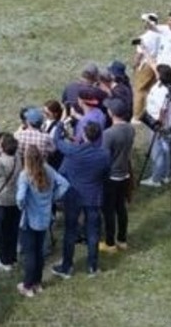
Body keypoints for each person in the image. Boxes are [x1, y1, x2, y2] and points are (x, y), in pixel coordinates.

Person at [53, 121, 110, 277]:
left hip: (74, 195)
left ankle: (67, 267)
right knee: (93, 232)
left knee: (70, 231)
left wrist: (60, 126)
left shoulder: (73, 151)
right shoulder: (104, 155)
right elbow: (106, 174)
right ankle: (92, 267)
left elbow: (57, 141)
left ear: (84, 135)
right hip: (93, 196)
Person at [15, 146, 69, 298]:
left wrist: (22, 205)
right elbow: (65, 184)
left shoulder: (25, 175)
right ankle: (37, 283)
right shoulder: (48, 169)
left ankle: (27, 285)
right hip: (45, 218)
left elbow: (20, 197)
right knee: (39, 252)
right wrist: (53, 197)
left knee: (30, 254)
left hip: (29, 219)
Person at [101, 107, 135, 252]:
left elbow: (104, 157)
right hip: (124, 173)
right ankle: (122, 240)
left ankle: (110, 243)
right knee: (121, 207)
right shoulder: (130, 128)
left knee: (109, 211)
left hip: (111, 176)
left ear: (112, 113)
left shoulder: (108, 133)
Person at [0, 133, 20, 273]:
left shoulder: (0, 163)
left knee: (1, 233)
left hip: (1, 200)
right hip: (15, 199)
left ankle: (4, 260)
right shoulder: (17, 158)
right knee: (12, 230)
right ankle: (12, 256)